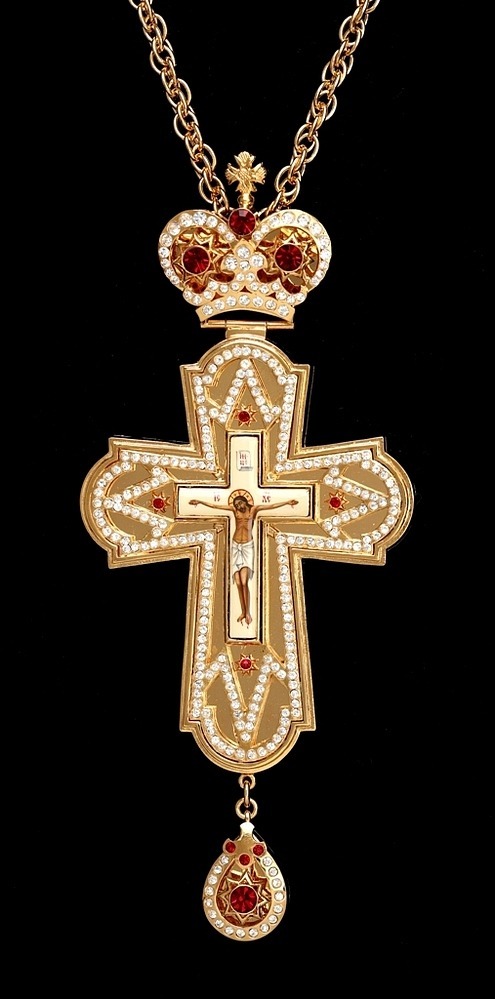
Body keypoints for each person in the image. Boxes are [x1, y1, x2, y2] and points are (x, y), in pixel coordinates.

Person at [189, 493, 298, 626]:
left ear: (245, 501)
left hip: (247, 546)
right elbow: (216, 506)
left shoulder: (253, 509)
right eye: (236, 505)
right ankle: (242, 611)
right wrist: (200, 501)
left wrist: (287, 502)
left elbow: (271, 506)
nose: (238, 506)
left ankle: (248, 612)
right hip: (236, 545)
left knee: (244, 581)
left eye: (240, 503)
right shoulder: (234, 510)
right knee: (238, 582)